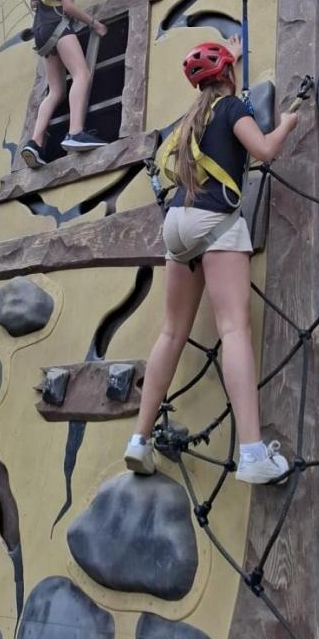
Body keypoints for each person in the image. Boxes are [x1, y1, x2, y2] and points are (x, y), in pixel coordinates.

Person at [124, 35, 299, 484]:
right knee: (234, 328)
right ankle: (253, 452)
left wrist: (232, 57)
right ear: (229, 77)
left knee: (171, 331)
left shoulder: (190, 121)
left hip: (176, 226)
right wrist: (289, 123)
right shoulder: (233, 109)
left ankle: (138, 442)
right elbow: (262, 151)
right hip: (214, 222)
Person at [21, 0, 108, 166]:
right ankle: (75, 132)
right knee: (82, 74)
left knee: (56, 90)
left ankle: (35, 143)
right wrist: (95, 24)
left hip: (41, 33)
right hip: (58, 28)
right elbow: (68, 7)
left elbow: (38, 5)